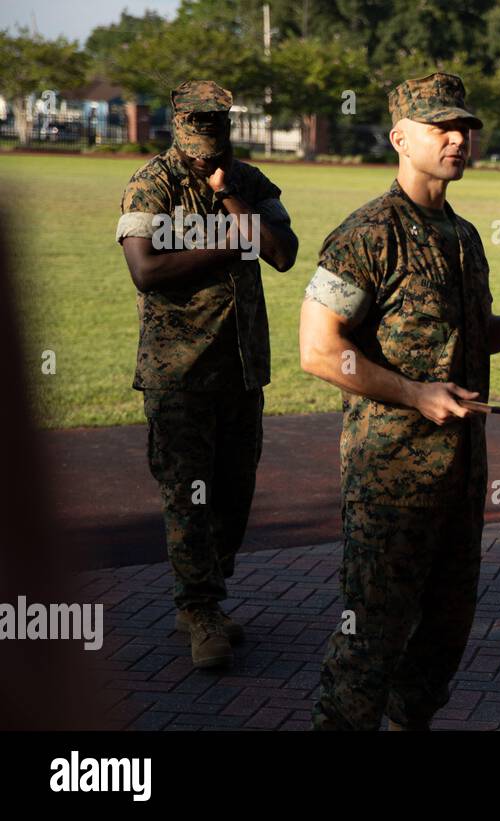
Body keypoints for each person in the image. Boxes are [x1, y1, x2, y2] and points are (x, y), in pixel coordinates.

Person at [299, 72, 500, 731]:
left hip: (458, 478)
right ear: (400, 138)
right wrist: (414, 393)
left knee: (446, 632)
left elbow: (480, 336)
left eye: (465, 129)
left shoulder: (464, 237)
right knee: (372, 634)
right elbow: (317, 349)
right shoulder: (367, 233)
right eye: (440, 127)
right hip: (390, 476)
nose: (457, 139)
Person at [116, 80, 298, 670]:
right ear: (178, 128)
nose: (205, 157)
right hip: (179, 373)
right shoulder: (152, 183)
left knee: (234, 494)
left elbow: (283, 252)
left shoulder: (248, 182)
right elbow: (146, 270)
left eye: (214, 145)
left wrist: (231, 204)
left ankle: (207, 593)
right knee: (186, 494)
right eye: (197, 146)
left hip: (242, 367)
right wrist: (230, 248)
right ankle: (199, 607)